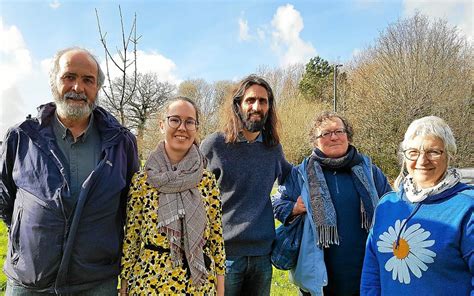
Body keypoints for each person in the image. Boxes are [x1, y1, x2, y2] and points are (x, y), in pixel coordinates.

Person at [0, 47, 139, 295]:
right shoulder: (22, 137)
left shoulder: (121, 144)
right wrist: (27, 241)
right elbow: (5, 199)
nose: (78, 87)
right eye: (69, 77)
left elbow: (130, 207)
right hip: (30, 283)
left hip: (96, 282)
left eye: (88, 80)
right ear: (54, 81)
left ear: (97, 88)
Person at [272, 111, 391, 295]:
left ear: (348, 136)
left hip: (366, 272)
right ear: (315, 140)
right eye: (326, 133)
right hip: (319, 276)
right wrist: (294, 208)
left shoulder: (370, 171)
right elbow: (277, 204)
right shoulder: (301, 174)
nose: (334, 137)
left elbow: (391, 205)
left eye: (339, 131)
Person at [120, 97, 225, 295]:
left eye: (189, 121)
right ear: (162, 125)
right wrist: (125, 282)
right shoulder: (143, 181)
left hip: (197, 284)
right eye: (175, 120)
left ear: (196, 128)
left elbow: (216, 238)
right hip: (149, 283)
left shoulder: (207, 180)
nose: (182, 127)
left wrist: (220, 288)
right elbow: (132, 237)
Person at [200, 74, 292, 295]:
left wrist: (294, 207)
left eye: (263, 101)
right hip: (224, 256)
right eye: (250, 100)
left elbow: (295, 179)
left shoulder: (273, 149)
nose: (256, 106)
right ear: (238, 105)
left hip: (262, 256)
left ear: (269, 107)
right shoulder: (214, 145)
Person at [361, 116, 473, 295]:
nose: (422, 160)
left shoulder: (467, 207)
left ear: (449, 154)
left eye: (433, 152)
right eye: (413, 152)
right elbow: (372, 272)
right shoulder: (387, 205)